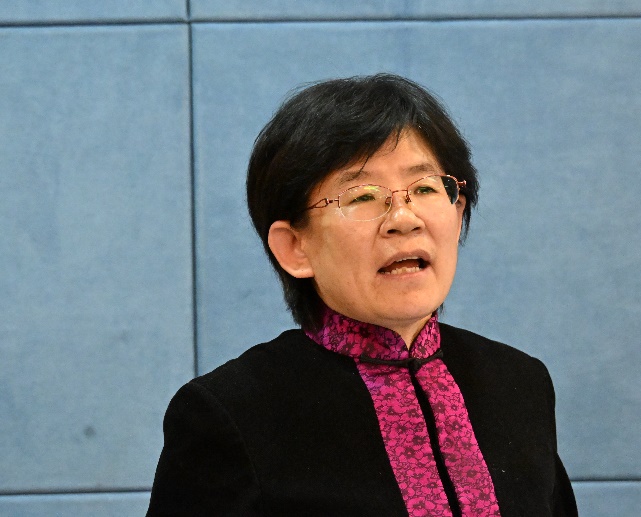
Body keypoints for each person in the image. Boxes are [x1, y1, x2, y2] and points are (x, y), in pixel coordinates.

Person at [147, 73, 577, 516]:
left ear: (458, 210)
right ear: (294, 248)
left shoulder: (520, 384)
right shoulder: (229, 414)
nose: (404, 218)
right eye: (363, 196)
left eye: (426, 188)